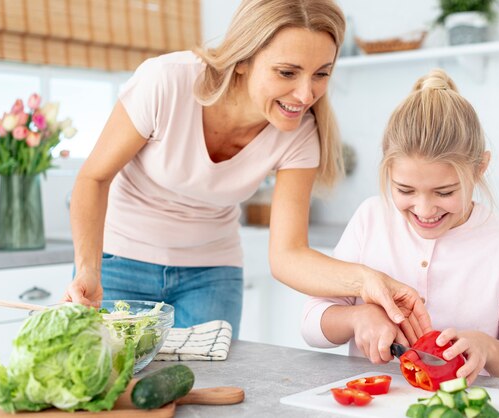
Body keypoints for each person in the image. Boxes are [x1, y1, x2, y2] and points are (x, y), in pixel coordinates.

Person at [63, 0, 432, 339]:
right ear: (241, 60)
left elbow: (288, 255)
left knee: (204, 395)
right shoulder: (166, 82)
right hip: (119, 261)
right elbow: (94, 178)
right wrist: (87, 268)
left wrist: (367, 280)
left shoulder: (301, 135)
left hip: (212, 272)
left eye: (321, 74)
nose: (306, 95)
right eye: (287, 72)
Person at [301, 69, 499, 384]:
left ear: (480, 169)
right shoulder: (370, 218)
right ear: (387, 167)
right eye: (405, 190)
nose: (424, 209)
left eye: (445, 192)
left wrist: (487, 349)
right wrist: (357, 317)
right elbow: (311, 323)